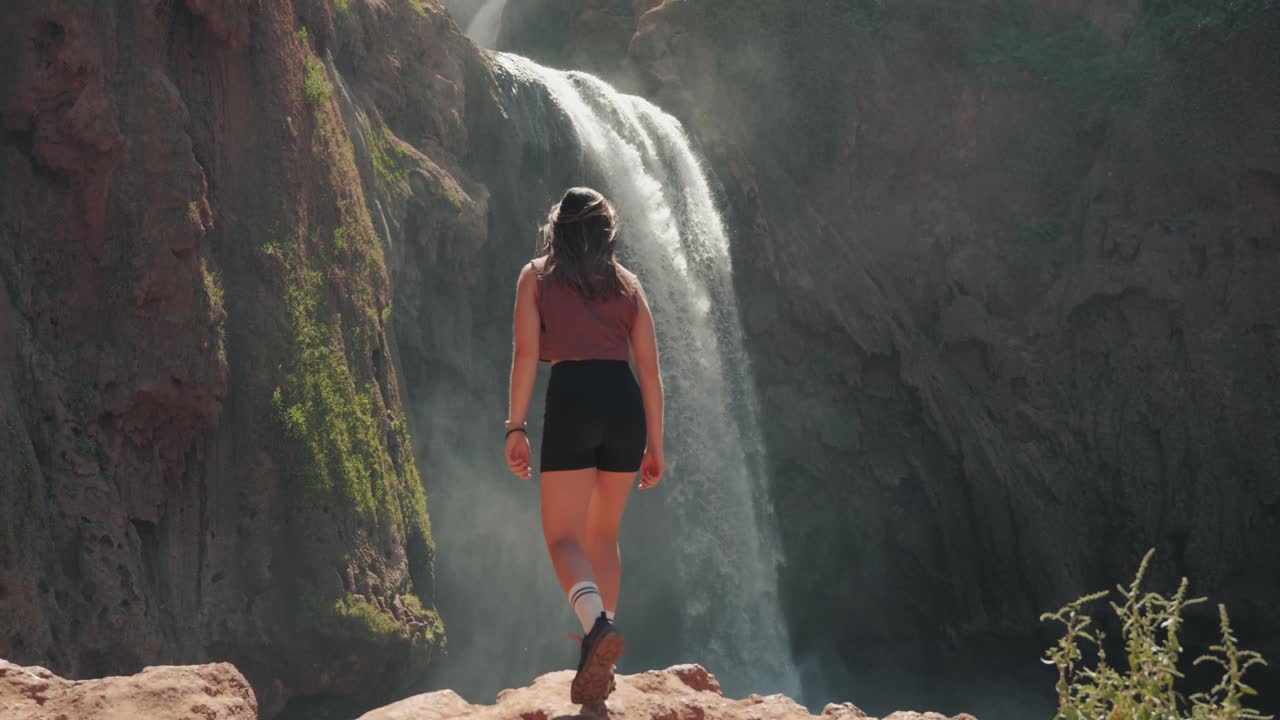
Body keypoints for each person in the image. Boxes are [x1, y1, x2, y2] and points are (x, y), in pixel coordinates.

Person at [503, 186, 666, 705]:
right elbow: (651, 373)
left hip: (574, 399)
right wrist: (655, 446)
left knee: (562, 539)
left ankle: (597, 631)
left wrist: (515, 426)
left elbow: (527, 355)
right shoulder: (629, 285)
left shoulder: (536, 276)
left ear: (559, 229)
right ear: (606, 232)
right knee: (603, 534)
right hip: (625, 404)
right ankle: (601, 665)